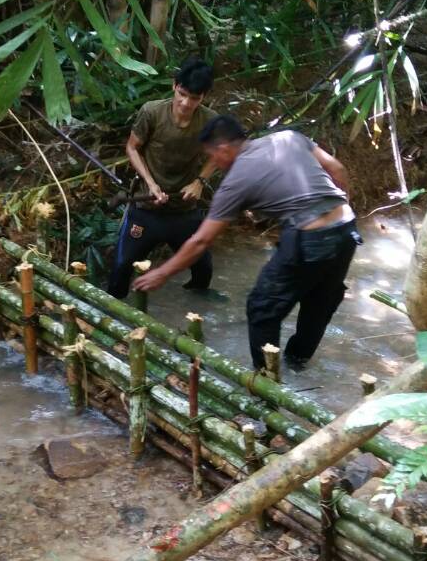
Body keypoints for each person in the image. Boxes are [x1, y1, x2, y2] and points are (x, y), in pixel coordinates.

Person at [132, 115, 360, 372]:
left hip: (309, 236)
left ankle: (265, 381)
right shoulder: (289, 138)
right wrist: (341, 211)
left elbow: (201, 240)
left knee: (262, 309)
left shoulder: (236, 180)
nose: (214, 163)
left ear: (223, 149)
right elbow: (337, 169)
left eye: (212, 156)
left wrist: (162, 273)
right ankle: (297, 363)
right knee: (320, 301)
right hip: (347, 227)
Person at [107, 57, 221, 298]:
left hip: (184, 210)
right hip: (146, 207)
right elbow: (132, 148)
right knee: (120, 268)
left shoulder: (209, 121)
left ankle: (193, 310)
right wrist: (150, 183)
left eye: (194, 98)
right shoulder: (152, 112)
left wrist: (199, 182)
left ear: (204, 97)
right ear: (174, 86)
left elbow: (218, 155)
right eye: (182, 94)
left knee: (203, 270)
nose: (186, 103)